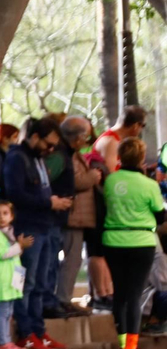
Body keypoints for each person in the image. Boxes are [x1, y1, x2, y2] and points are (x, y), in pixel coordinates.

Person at [2, 116, 70, 349]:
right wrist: (48, 202)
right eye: (47, 144)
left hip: (44, 225)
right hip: (27, 226)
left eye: (54, 146)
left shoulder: (38, 159)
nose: (51, 150)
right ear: (33, 137)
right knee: (26, 283)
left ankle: (38, 330)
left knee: (41, 283)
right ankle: (25, 331)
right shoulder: (17, 158)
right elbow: (15, 193)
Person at [102, 137, 163, 349]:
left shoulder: (111, 181)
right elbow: (159, 214)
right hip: (141, 240)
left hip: (113, 240)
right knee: (135, 295)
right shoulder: (149, 185)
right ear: (140, 158)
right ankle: (132, 348)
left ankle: (121, 345)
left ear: (119, 156)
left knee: (120, 294)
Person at [52, 115, 102, 312]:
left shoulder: (70, 153)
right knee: (71, 259)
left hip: (76, 216)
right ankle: (61, 299)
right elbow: (74, 182)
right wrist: (92, 176)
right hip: (71, 215)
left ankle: (62, 298)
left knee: (73, 259)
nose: (87, 141)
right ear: (78, 137)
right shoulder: (63, 155)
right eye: (86, 137)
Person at [0, 200, 35, 349]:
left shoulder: (8, 232)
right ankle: (3, 342)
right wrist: (20, 245)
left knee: (8, 311)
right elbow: (3, 253)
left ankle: (7, 340)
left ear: (12, 216)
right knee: (2, 311)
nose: (1, 217)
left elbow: (13, 252)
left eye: (5, 213)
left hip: (10, 276)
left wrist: (18, 246)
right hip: (1, 277)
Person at [93, 105, 147, 174]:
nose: (141, 130)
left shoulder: (115, 139)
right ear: (135, 126)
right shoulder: (111, 142)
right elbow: (110, 175)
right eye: (143, 125)